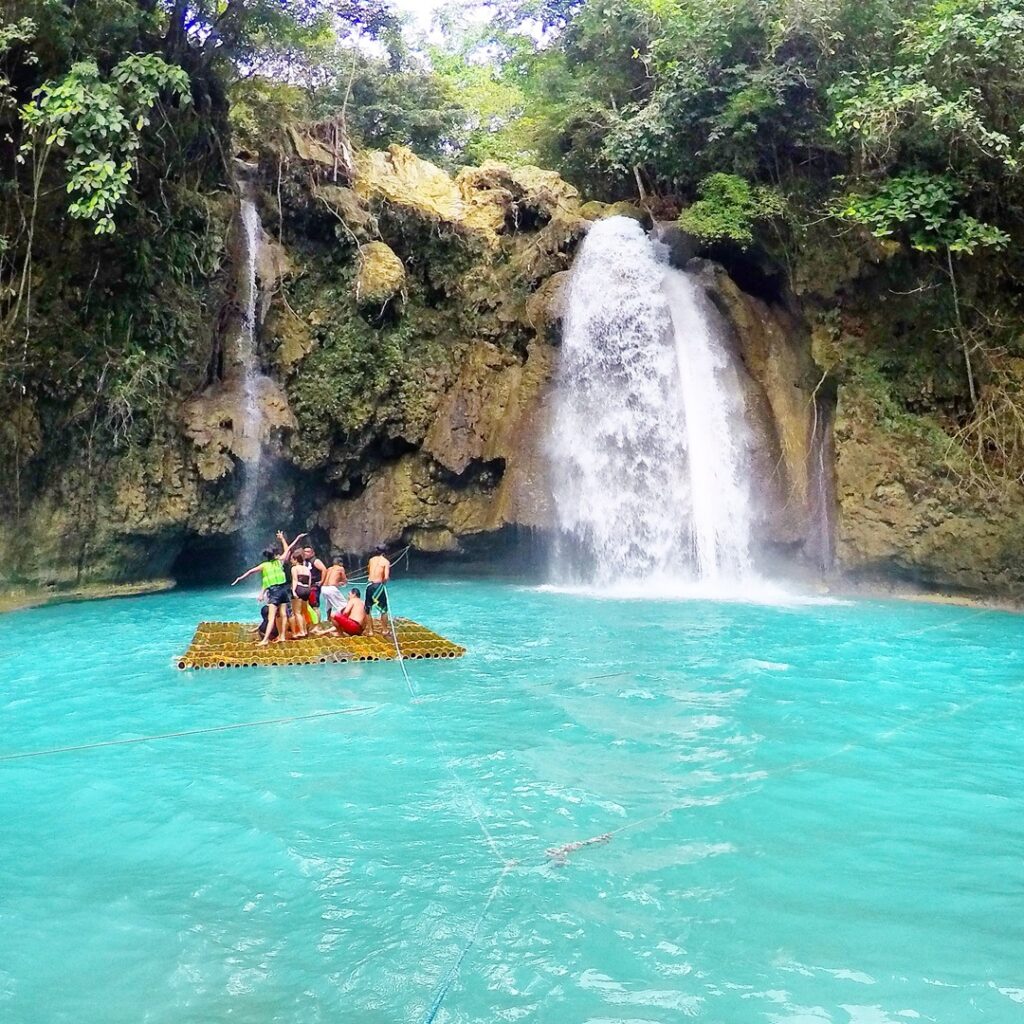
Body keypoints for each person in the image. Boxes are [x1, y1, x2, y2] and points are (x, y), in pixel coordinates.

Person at [232, 531, 306, 645]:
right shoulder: (279, 562)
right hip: (284, 591)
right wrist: (296, 538)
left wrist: (239, 578)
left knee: (272, 618)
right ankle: (282, 636)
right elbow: (289, 548)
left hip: (274, 592)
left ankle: (265, 640)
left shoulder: (265, 565)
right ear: (275, 555)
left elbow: (251, 571)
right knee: (284, 614)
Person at [364, 544, 391, 637]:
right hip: (378, 586)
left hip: (369, 585)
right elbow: (386, 577)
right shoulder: (386, 562)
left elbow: (368, 570)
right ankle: (384, 630)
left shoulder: (371, 560)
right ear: (384, 552)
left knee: (368, 609)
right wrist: (384, 581)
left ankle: (370, 631)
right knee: (383, 609)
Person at [290, 551, 312, 638]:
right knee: (303, 612)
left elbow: (295, 580)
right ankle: (305, 631)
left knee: (297, 612)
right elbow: (309, 582)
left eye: (292, 559)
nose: (291, 561)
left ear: (296, 559)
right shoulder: (307, 569)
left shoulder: (294, 568)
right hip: (307, 589)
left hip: (299, 588)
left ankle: (302, 632)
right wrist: (308, 591)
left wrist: (293, 591)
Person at [302, 544, 327, 613]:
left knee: (314, 604)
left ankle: (318, 622)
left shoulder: (315, 561)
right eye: (304, 551)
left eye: (308, 552)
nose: (305, 553)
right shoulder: (305, 561)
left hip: (314, 586)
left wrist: (322, 581)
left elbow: (324, 569)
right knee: (308, 605)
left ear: (312, 553)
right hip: (307, 586)